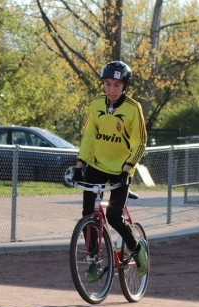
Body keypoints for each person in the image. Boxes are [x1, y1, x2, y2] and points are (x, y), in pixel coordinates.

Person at [71, 60, 148, 279]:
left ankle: (135, 248)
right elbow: (88, 137)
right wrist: (79, 165)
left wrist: (127, 169)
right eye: (107, 84)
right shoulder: (96, 104)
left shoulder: (133, 109)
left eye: (117, 85)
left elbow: (140, 143)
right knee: (88, 213)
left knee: (114, 216)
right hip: (96, 165)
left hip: (121, 169)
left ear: (125, 86)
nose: (111, 89)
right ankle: (93, 259)